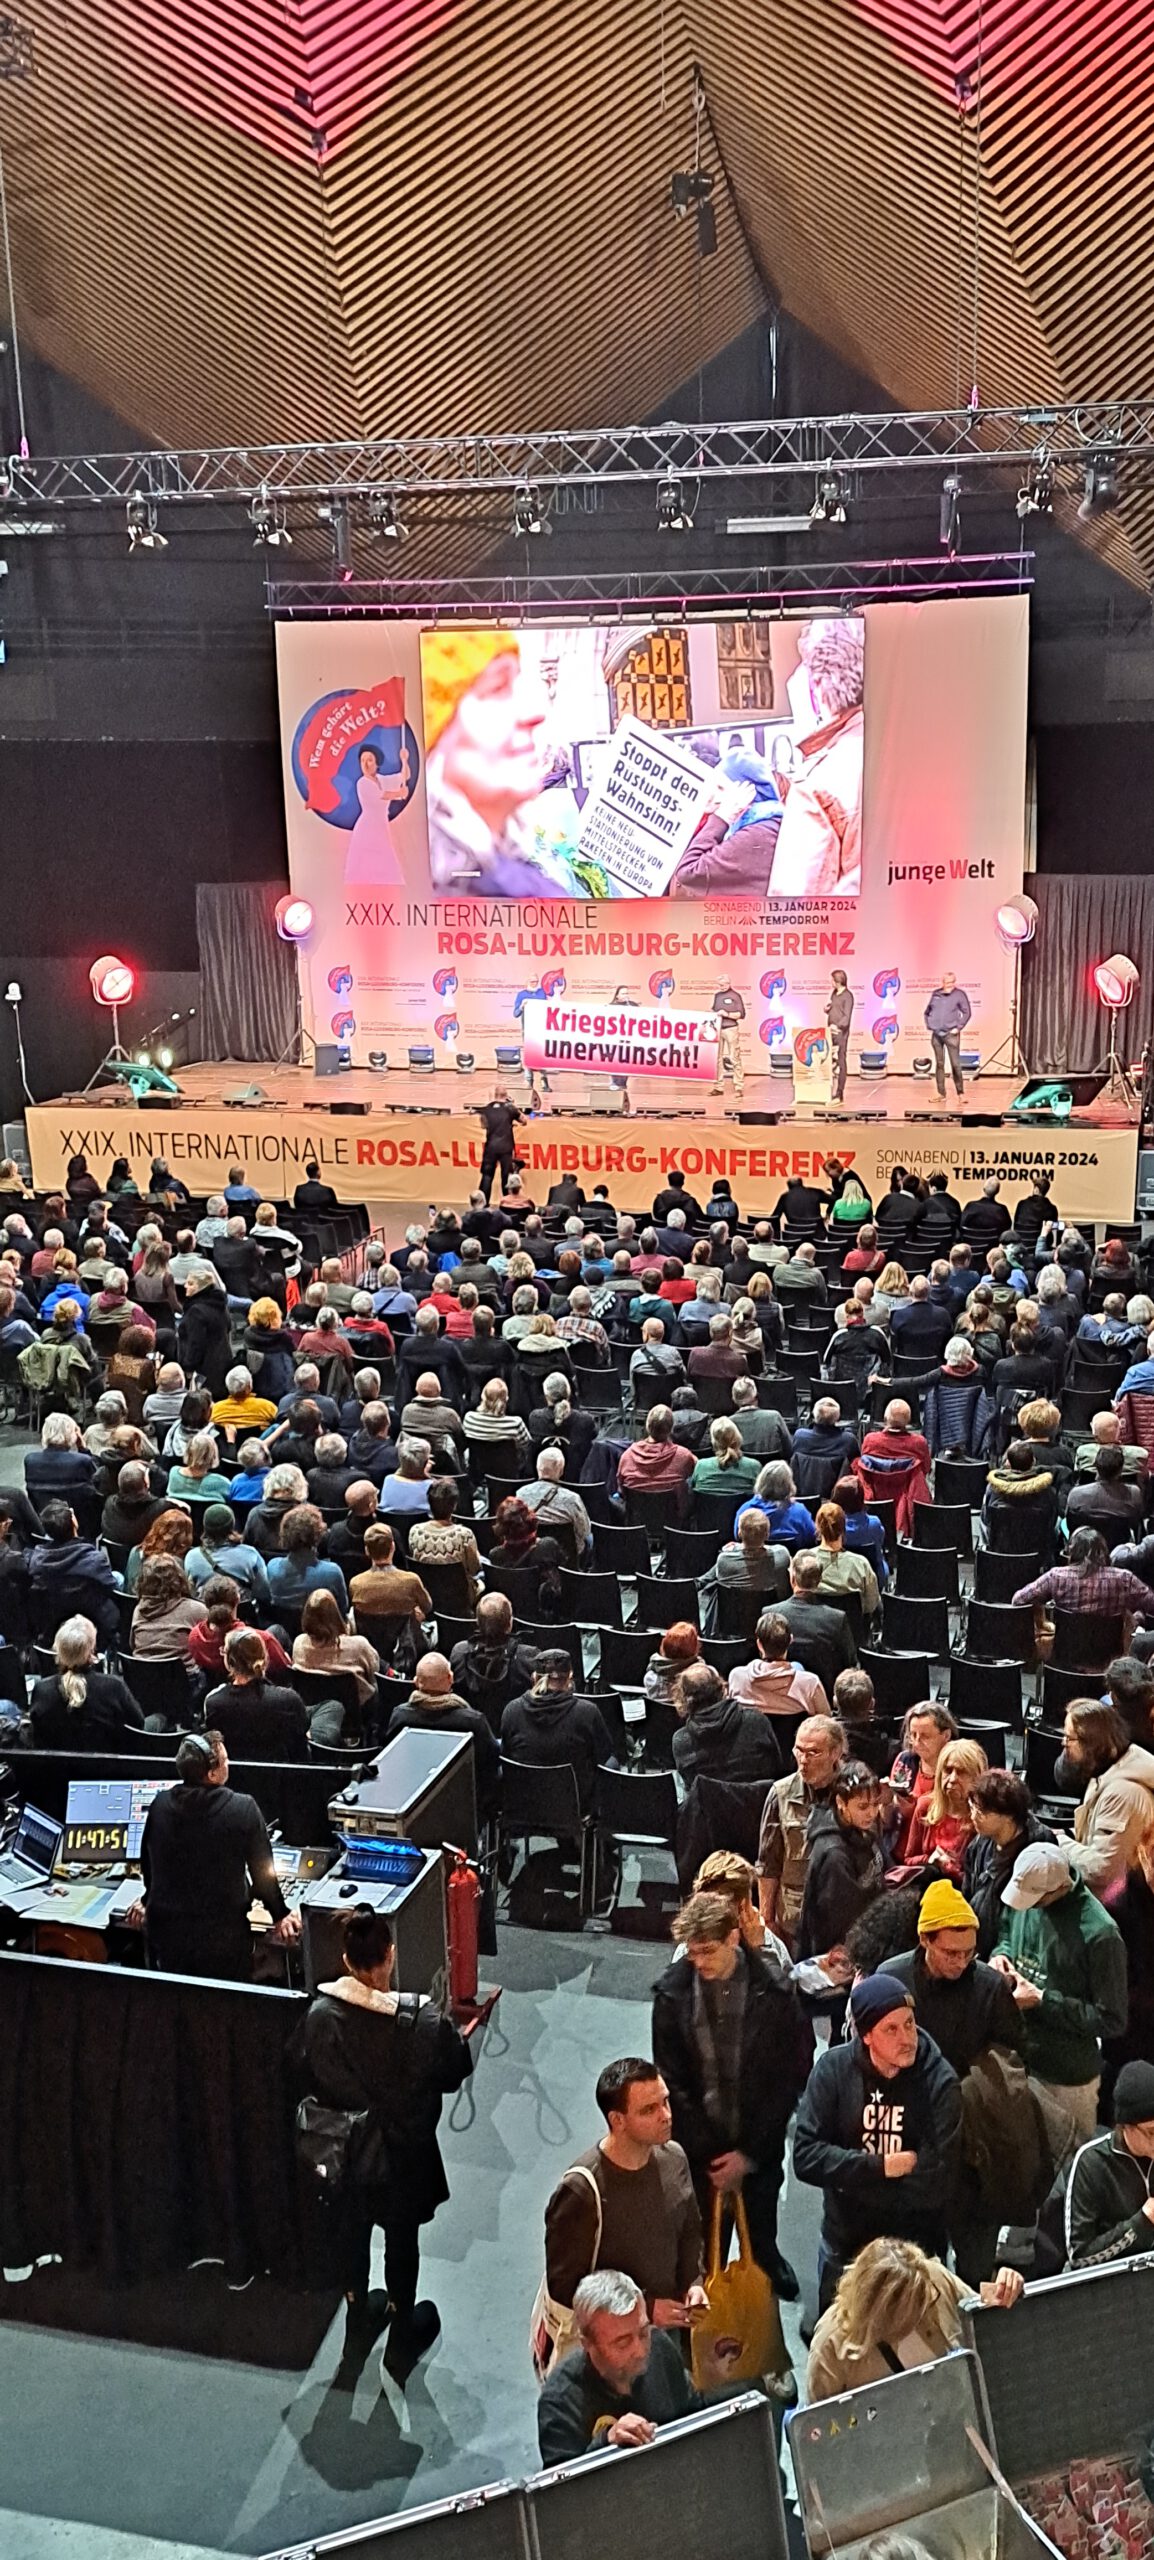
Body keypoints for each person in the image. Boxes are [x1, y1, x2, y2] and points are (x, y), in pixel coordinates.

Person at [301, 1901, 472, 2362]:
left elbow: (306, 2075)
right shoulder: (424, 2021)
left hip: (344, 2153)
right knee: (402, 2240)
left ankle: (357, 2321)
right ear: (390, 1955)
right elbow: (456, 2072)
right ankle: (400, 2331)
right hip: (404, 2155)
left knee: (352, 2235)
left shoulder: (318, 2017)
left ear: (346, 1960)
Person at [652, 1890, 810, 2297]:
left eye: (708, 1951)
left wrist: (749, 2154)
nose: (699, 1962)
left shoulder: (774, 1994)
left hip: (758, 2143)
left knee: (760, 2224)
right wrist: (711, 2155)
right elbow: (674, 2083)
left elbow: (786, 2080)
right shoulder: (673, 1996)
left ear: (734, 1939)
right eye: (692, 1953)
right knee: (704, 2247)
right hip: (699, 2150)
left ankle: (764, 2267)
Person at [794, 1973, 962, 2307]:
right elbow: (805, 2157)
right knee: (842, 2346)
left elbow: (936, 2183)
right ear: (866, 2035)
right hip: (847, 2244)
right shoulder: (833, 2070)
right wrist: (882, 2166)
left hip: (914, 2251)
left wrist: (847, 2179)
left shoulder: (940, 2082)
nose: (907, 2038)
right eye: (891, 2029)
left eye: (910, 2024)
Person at [543, 2059, 706, 2338]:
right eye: (649, 2110)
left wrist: (694, 2281)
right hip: (612, 2345)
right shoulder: (580, 2192)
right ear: (617, 2121)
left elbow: (690, 2230)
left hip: (666, 2332)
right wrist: (646, 2308)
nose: (666, 2115)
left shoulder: (675, 2158)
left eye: (665, 2102)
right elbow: (565, 2287)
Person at [992, 1840, 1128, 2158]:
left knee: (1066, 2168)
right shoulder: (1027, 1892)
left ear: (1058, 1888)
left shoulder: (1100, 1934)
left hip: (1067, 2079)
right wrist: (1001, 1958)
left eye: (1035, 1901)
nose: (1027, 1907)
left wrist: (1042, 2000)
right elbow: (1006, 1936)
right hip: (1019, 2061)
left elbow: (1112, 2019)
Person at [128, 1729, 300, 1979]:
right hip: (222, 1943)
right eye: (225, 1760)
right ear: (212, 1773)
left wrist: (147, 1899)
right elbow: (263, 1878)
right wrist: (281, 1915)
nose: (229, 1764)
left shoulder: (160, 1804)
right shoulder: (243, 1808)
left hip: (168, 1941)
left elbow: (150, 1867)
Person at [806, 2235, 1023, 2402]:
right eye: (907, 2308)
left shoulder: (933, 2279)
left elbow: (981, 2318)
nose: (920, 2311)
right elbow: (818, 2434)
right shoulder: (831, 2345)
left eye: (923, 2300)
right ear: (876, 2310)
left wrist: (1005, 2288)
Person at [537, 2269, 706, 2463]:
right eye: (623, 2343)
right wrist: (606, 2443)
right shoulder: (560, 2402)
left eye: (643, 2333)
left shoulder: (660, 2348)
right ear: (587, 2344)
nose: (641, 2351)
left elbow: (693, 2414)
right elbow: (565, 2489)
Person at [757, 1715, 847, 1943]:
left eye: (813, 1752)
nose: (803, 1760)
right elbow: (768, 1863)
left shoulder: (854, 1790)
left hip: (844, 1916)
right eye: (799, 1751)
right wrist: (767, 1920)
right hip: (796, 1918)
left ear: (835, 1752)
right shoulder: (781, 1794)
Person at [1056, 1700, 1154, 1897]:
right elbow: (1100, 1834)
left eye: (1069, 1738)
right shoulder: (1105, 1770)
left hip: (1124, 1909)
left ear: (1091, 1744)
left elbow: (1102, 1871)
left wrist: (1059, 1841)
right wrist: (1067, 1833)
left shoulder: (1122, 1794)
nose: (1063, 1745)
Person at [796, 1761, 886, 1970]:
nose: (872, 1813)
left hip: (867, 1939)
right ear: (841, 1802)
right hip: (839, 1956)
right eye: (863, 1806)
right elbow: (840, 1922)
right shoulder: (834, 1855)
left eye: (875, 1804)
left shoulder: (863, 1828)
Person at [501, 1649, 616, 1811]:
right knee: (612, 1764)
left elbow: (506, 1754)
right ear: (570, 1678)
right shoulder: (588, 1713)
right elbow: (603, 1755)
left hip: (523, 1805)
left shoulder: (512, 1710)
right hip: (573, 1806)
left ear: (534, 1678)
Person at [1065, 2060, 1154, 2268]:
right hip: (1112, 2289)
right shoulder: (1091, 2162)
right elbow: (1079, 2257)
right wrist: (1141, 2222)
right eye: (1151, 2132)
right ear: (1126, 2127)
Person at [964, 1769, 1056, 1956]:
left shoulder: (1039, 1848)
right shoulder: (980, 1843)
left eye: (981, 1812)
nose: (973, 1816)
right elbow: (967, 1892)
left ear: (1007, 1816)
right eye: (972, 1808)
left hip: (1014, 1947)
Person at [28, 1614, 145, 1751]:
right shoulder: (114, 1687)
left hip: (58, 1771)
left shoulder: (42, 1690)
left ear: (58, 1650)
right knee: (159, 1719)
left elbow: (37, 1735)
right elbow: (138, 1724)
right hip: (109, 1770)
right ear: (91, 1651)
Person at [1014, 1530, 1153, 1639]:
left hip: (1065, 1659)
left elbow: (1018, 1600)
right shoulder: (1124, 1579)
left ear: (1071, 1552)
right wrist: (1138, 1616)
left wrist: (1041, 1619)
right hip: (1110, 1662)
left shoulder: (1055, 1576)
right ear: (1104, 1551)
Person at [672, 1660, 784, 1787]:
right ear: (723, 1690)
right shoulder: (756, 1721)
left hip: (709, 1805)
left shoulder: (681, 1741)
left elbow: (690, 1785)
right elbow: (777, 1768)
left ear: (683, 1700)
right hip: (760, 1803)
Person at [204, 1629, 310, 1760]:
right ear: (265, 1658)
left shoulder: (213, 1703)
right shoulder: (288, 1700)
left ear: (229, 1662)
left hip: (234, 1777)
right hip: (282, 1777)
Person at [27, 1498, 119, 1645]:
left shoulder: (36, 1562)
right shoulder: (95, 1559)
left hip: (56, 1616)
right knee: (118, 1578)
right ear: (74, 1522)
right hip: (93, 1615)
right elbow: (110, 1586)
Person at [449, 1592, 539, 1731]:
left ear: (477, 1623)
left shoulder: (459, 1653)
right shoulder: (528, 1657)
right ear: (510, 1623)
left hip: (472, 1733)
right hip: (514, 1731)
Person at [903, 1739, 988, 1880]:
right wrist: (930, 1860)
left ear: (976, 1778)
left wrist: (952, 1870)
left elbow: (980, 1880)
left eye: (962, 1772)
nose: (953, 1778)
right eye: (948, 1770)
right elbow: (908, 1860)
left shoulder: (982, 1818)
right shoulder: (925, 1806)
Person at [775, 1551, 858, 1691]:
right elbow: (849, 1663)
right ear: (819, 1582)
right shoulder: (837, 1619)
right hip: (825, 1692)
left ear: (792, 1579)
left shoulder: (772, 1614)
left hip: (782, 1691)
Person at [728, 1611, 830, 1720]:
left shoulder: (736, 1677)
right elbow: (826, 1722)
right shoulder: (810, 1683)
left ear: (759, 1644)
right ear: (790, 1640)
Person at [292, 1589, 379, 1716]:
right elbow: (374, 1671)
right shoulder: (359, 1645)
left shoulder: (298, 1643)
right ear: (336, 1615)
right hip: (354, 1715)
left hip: (314, 1715)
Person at [268, 1503, 349, 1615]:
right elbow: (343, 1609)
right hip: (322, 1631)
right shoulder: (332, 1572)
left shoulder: (272, 1567)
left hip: (284, 1630)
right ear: (318, 1535)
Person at [476, 1087, 524, 1203]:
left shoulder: (486, 1109)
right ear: (506, 1095)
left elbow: (483, 1125)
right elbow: (524, 1120)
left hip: (490, 1147)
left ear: (495, 1095)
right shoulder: (510, 1108)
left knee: (487, 1176)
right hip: (505, 1147)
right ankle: (509, 1203)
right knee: (506, 1177)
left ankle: (482, 1205)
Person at [825, 969, 854, 1102]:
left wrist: (838, 1026)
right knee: (831, 1061)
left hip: (840, 1033)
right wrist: (828, 1010)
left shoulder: (847, 996)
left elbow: (846, 1017)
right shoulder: (834, 994)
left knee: (841, 1060)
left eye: (832, 980)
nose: (831, 982)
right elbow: (835, 1010)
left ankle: (840, 1092)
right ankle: (829, 1090)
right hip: (830, 1031)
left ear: (838, 981)